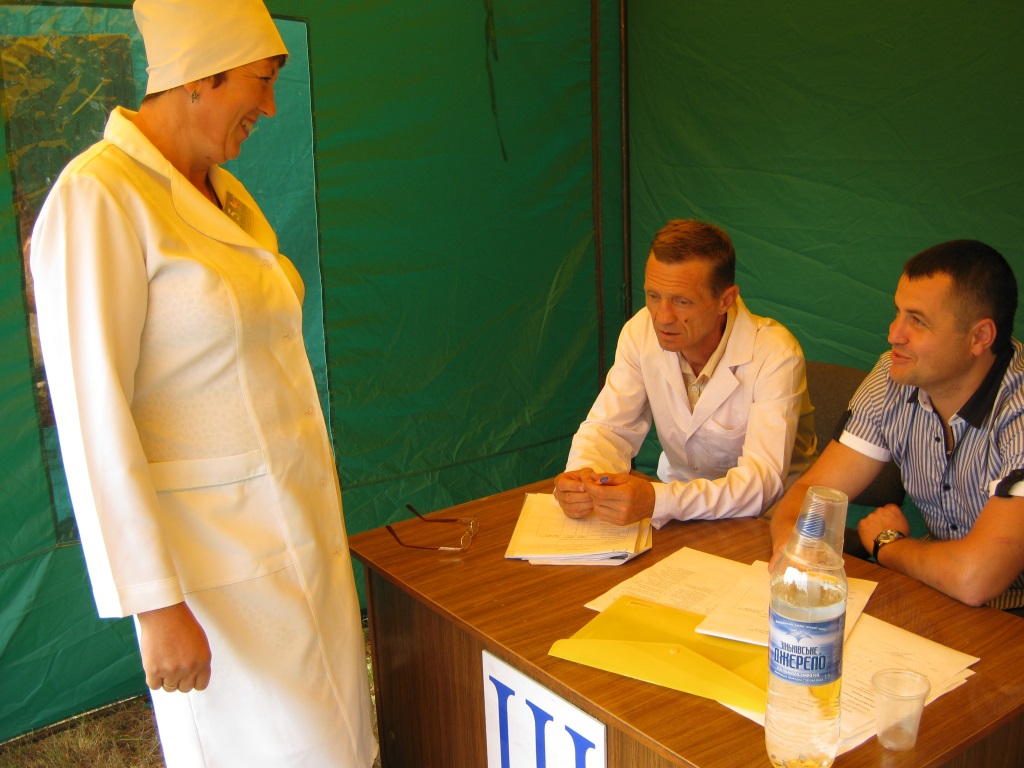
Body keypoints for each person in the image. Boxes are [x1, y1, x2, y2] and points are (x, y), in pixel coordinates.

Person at [29, 1, 377, 765]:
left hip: (295, 540)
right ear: (199, 77)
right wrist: (153, 603)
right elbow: (93, 416)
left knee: (336, 744)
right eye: (263, 80)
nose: (272, 107)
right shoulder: (100, 196)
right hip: (213, 572)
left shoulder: (224, 193)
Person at [769, 240, 1024, 611]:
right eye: (898, 312)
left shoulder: (1018, 408)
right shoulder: (895, 374)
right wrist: (792, 550)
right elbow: (811, 494)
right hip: (941, 594)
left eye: (917, 320)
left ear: (980, 337)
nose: (894, 334)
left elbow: (976, 578)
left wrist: (887, 545)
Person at [555, 219, 816, 528]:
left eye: (682, 301)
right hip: (676, 511)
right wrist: (583, 477)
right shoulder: (640, 332)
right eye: (653, 296)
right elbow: (610, 430)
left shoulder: (775, 354)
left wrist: (659, 501)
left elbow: (762, 483)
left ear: (725, 300)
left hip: (766, 521)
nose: (662, 318)